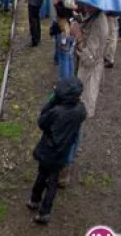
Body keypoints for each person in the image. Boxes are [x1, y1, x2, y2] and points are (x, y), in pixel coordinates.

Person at [27, 77, 87, 224]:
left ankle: (34, 200)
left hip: (48, 150)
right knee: (53, 181)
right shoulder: (80, 110)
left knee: (41, 175)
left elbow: (42, 122)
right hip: (63, 151)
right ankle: (45, 212)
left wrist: (52, 101)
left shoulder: (56, 111)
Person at [62, 3, 109, 185]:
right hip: (80, 76)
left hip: (87, 80)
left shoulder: (100, 23)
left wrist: (78, 35)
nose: (79, 2)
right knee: (73, 120)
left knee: (76, 122)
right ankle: (66, 160)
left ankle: (66, 167)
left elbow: (89, 58)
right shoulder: (93, 16)